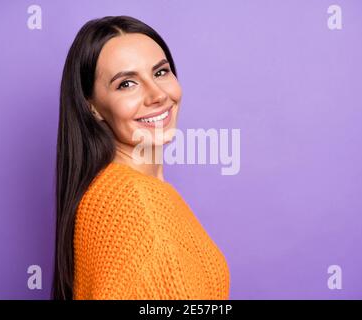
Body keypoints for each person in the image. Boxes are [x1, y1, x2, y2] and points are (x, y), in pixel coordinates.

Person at [52, 15, 230, 300]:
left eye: (160, 72)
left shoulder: (119, 191)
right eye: (126, 84)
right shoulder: (135, 204)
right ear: (93, 107)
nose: (157, 94)